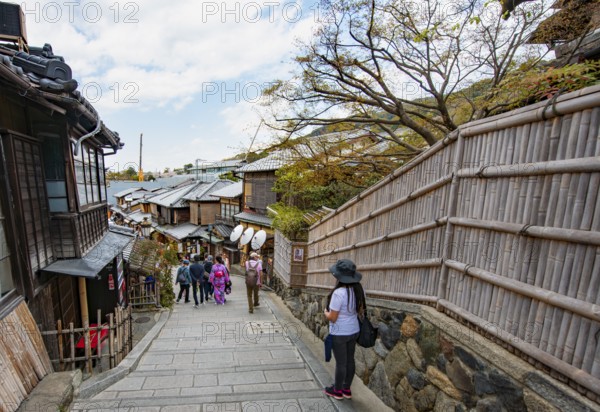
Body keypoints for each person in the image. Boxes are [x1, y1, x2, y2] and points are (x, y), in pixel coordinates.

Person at [323, 259, 366, 400]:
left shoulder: (339, 293)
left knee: (341, 363)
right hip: (354, 330)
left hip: (340, 332)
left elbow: (333, 317)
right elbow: (359, 310)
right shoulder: (359, 290)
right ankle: (346, 389)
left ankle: (337, 390)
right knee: (350, 361)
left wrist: (325, 312)